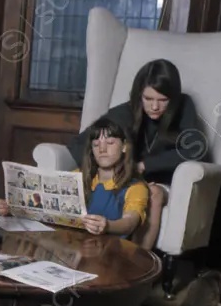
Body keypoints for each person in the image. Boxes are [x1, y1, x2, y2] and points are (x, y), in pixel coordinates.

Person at [68, 59, 208, 249]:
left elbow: (197, 150)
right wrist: (105, 171)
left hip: (164, 181)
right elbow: (78, 143)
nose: (155, 107)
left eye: (163, 100)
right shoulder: (125, 112)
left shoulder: (184, 106)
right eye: (148, 99)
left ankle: (139, 263)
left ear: (173, 98)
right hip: (126, 179)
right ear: (138, 95)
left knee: (153, 193)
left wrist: (144, 166)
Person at [0, 116, 150, 242]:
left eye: (110, 143)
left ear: (124, 147)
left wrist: (108, 226)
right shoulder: (78, 176)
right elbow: (45, 207)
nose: (102, 149)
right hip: (72, 246)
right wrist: (13, 207)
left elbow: (129, 222)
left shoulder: (135, 187)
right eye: (96, 145)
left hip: (109, 251)